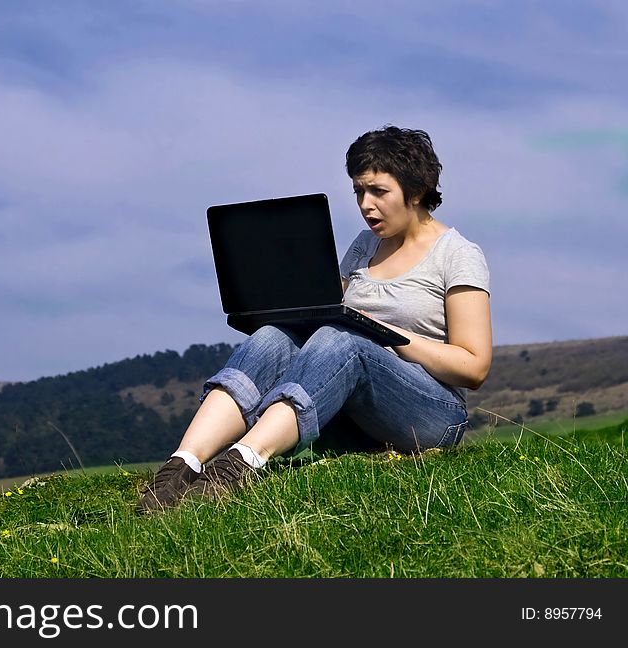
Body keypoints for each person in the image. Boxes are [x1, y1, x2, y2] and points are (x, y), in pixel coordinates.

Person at [136, 125, 492, 514]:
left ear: (418, 191)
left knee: (347, 341)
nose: (365, 205)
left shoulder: (457, 254)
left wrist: (387, 335)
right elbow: (328, 318)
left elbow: (474, 367)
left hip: (433, 417)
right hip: (355, 417)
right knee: (274, 336)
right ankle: (181, 467)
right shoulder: (364, 245)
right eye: (359, 191)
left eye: (378, 191)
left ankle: (241, 464)